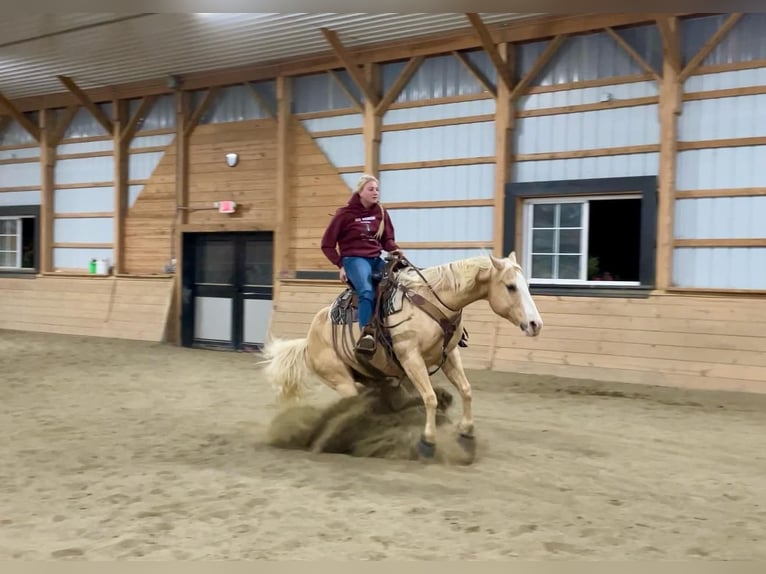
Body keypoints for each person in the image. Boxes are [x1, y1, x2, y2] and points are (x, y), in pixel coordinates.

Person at [321, 174, 403, 354]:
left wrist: (394, 250)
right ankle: (367, 333)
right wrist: (340, 264)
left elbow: (387, 240)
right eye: (371, 189)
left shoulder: (381, 212)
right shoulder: (344, 214)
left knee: (401, 283)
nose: (376, 192)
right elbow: (326, 244)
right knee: (366, 291)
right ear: (360, 192)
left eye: (377, 189)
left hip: (375, 258)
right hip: (354, 259)